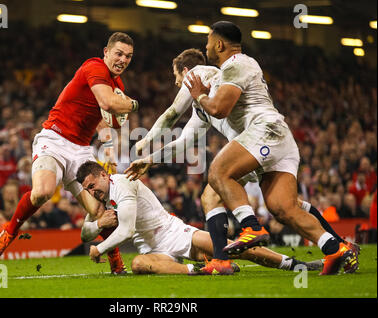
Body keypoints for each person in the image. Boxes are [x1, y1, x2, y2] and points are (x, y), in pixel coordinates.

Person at [125, 48, 356, 275]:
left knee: (212, 193)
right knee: (287, 207)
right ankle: (340, 247)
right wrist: (150, 160)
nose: (176, 83)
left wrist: (144, 140)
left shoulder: (199, 74)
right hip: (263, 144)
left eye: (175, 76)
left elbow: (172, 114)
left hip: (256, 142)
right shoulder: (203, 104)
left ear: (186, 70)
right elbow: (184, 143)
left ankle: (230, 251)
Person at [183, 21, 357, 274]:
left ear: (219, 44)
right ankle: (335, 249)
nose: (206, 46)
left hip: (267, 130)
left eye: (209, 42)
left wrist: (200, 94)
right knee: (283, 208)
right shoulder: (231, 70)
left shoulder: (237, 63)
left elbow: (219, 109)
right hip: (279, 139)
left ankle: (250, 226)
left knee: (218, 172)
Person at [0, 32, 140, 274]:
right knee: (43, 193)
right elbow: (109, 104)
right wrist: (133, 104)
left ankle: (115, 262)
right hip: (55, 138)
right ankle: (9, 232)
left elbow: (103, 121)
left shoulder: (117, 86)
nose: (123, 59)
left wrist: (109, 150)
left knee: (100, 208)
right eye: (119, 53)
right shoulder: (94, 67)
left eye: (128, 56)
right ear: (106, 52)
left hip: (80, 150)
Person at [77, 160, 322, 275]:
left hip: (173, 232)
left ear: (102, 174)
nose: (91, 191)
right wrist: (98, 223)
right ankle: (202, 270)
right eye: (87, 189)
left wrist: (100, 248)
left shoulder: (121, 184)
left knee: (233, 249)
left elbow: (126, 231)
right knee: (139, 264)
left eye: (92, 185)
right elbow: (85, 232)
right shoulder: (102, 197)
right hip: (152, 248)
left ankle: (295, 265)